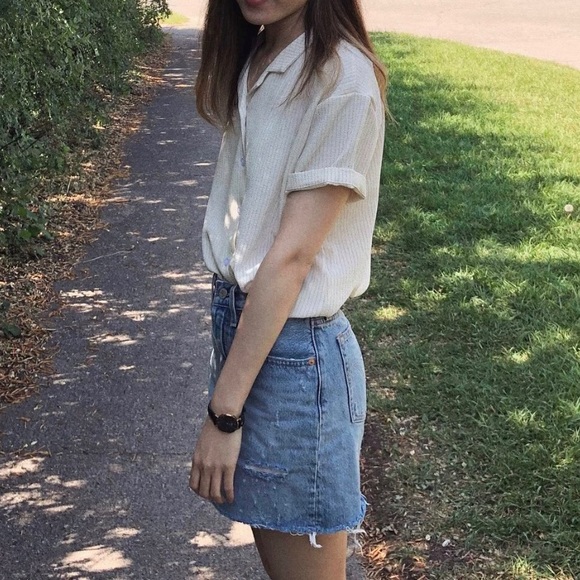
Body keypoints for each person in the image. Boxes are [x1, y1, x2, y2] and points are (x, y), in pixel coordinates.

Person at [189, 0, 386, 578]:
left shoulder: (342, 79)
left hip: (294, 354)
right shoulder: (262, 50)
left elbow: (292, 259)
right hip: (251, 330)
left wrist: (224, 415)